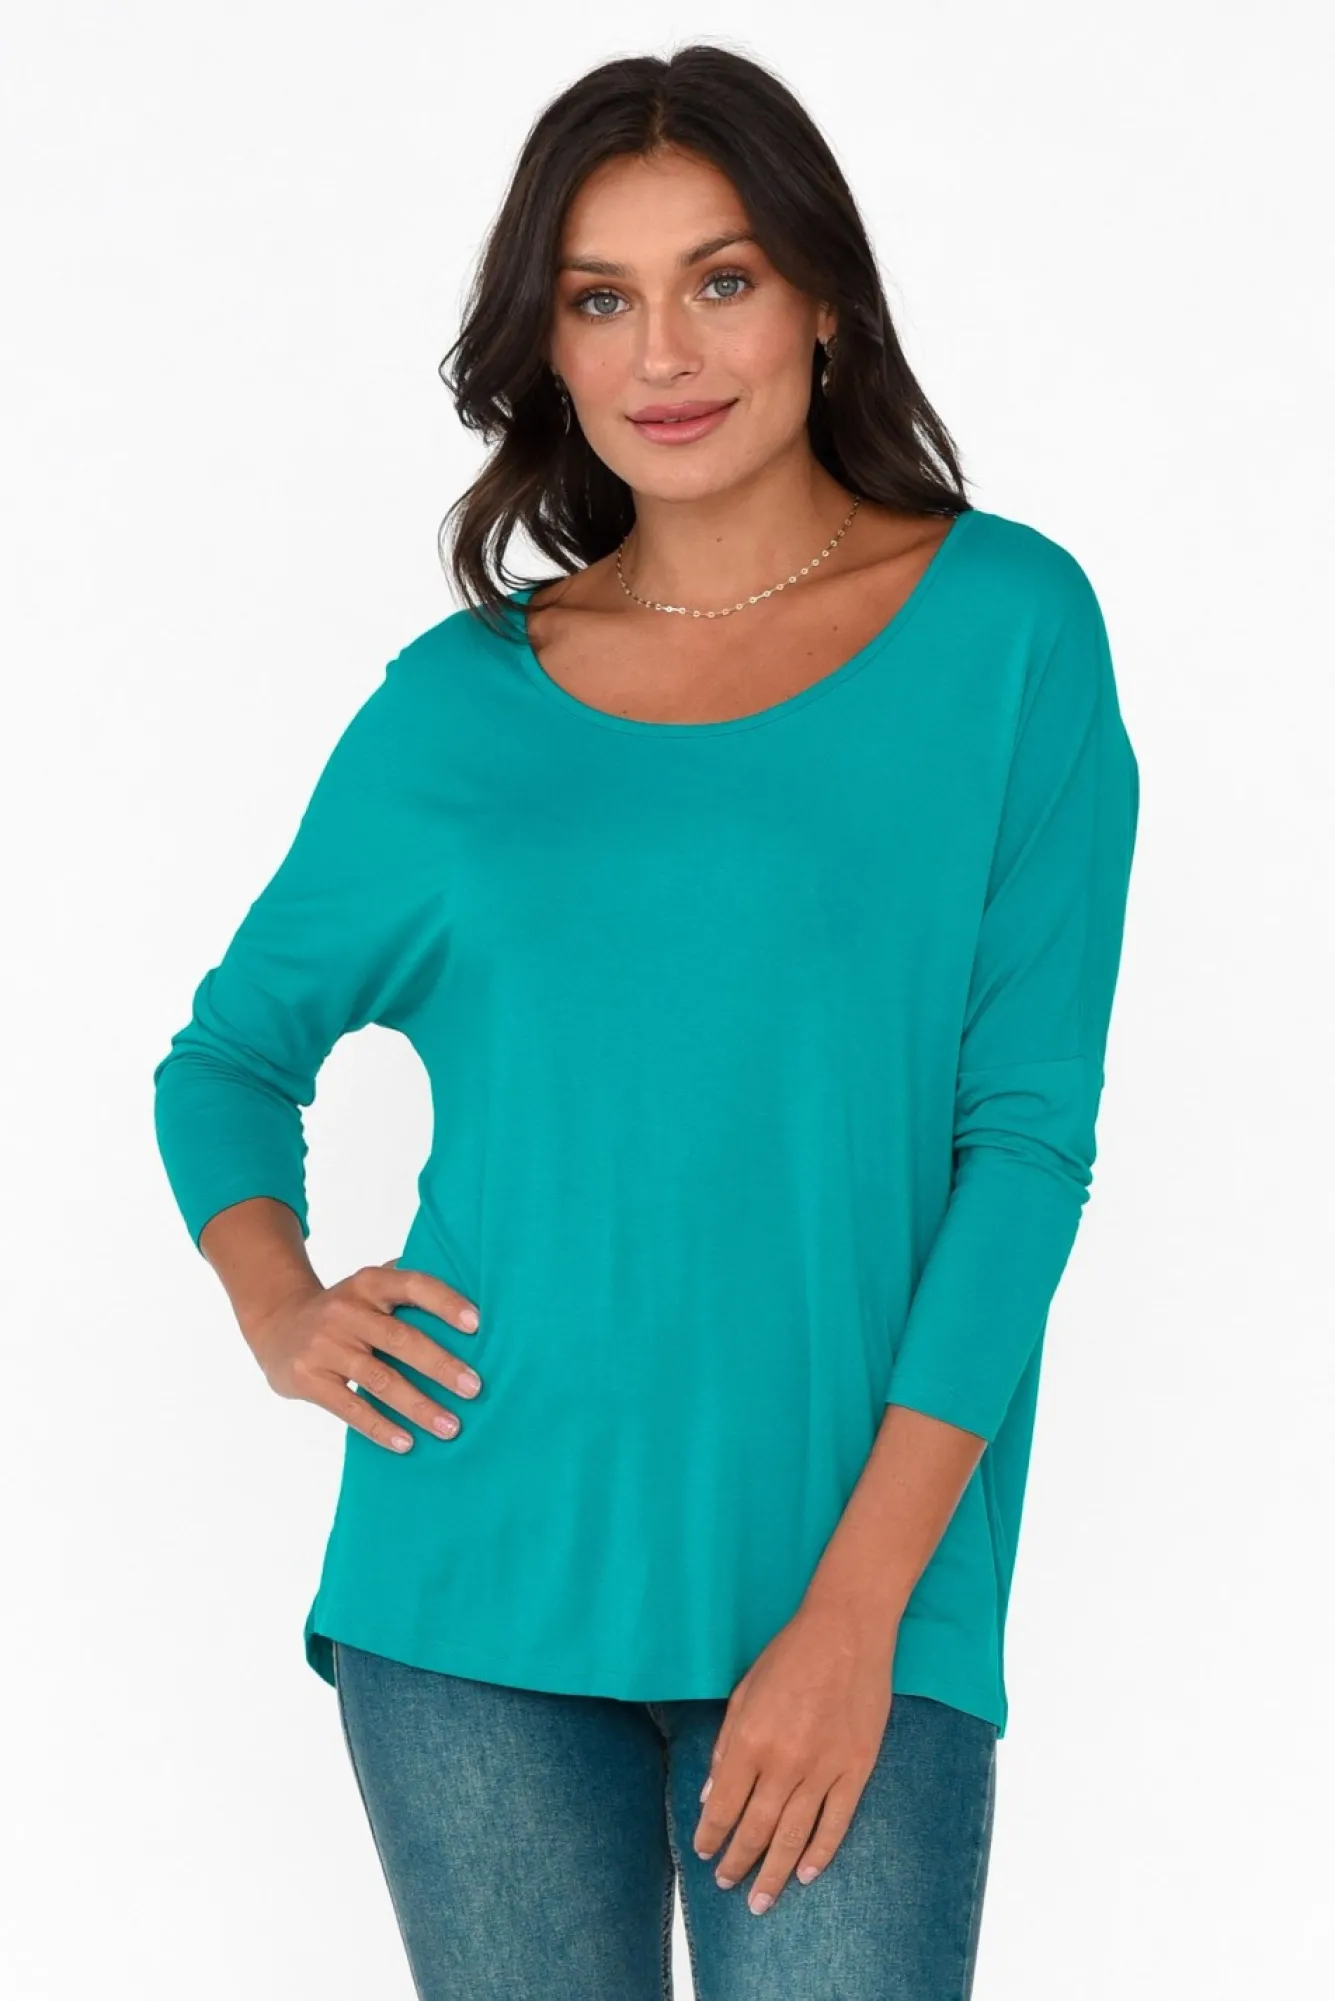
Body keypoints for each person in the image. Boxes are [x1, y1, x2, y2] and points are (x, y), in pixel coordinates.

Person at [152, 42, 1140, 2001]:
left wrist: (858, 1615)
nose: (663, 352)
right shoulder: (461, 701)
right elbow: (230, 1057)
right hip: (470, 1585)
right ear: (549, 343)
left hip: (849, 1591)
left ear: (823, 301)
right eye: (600, 298)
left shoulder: (1006, 626)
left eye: (723, 279)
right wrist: (281, 1304)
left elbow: (1022, 1149)